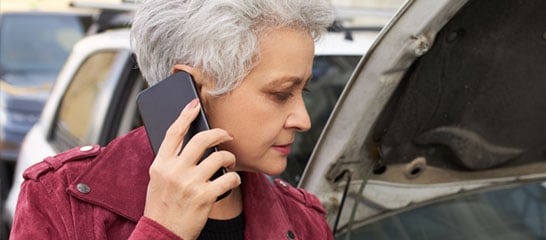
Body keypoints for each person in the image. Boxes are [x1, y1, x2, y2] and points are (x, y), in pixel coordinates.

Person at [11, 0, 335, 239]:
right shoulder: (58, 199)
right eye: (280, 93)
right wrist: (163, 231)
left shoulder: (304, 222)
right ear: (190, 88)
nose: (303, 120)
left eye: (303, 92)